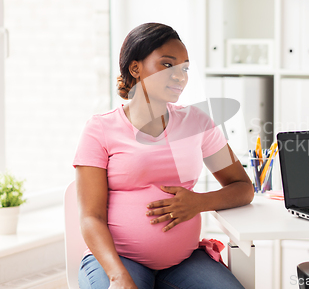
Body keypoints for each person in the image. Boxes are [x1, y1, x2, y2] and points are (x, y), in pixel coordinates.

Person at [73, 23, 254, 289]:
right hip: (119, 260)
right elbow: (91, 217)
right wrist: (117, 275)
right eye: (168, 65)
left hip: (184, 261)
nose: (180, 76)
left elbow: (243, 188)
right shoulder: (100, 129)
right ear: (135, 68)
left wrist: (198, 203)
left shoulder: (197, 123)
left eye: (185, 68)